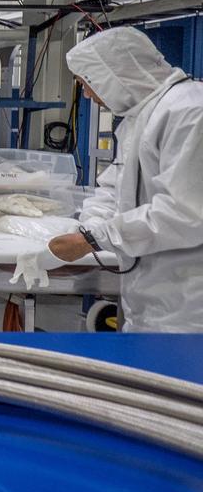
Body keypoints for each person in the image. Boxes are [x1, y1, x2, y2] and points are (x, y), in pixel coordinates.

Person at [29, 27, 203, 331]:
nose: (86, 94)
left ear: (113, 75)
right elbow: (114, 188)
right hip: (152, 300)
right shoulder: (138, 119)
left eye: (87, 83)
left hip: (190, 308)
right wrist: (86, 227)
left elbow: (187, 212)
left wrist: (93, 239)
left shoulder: (190, 113)